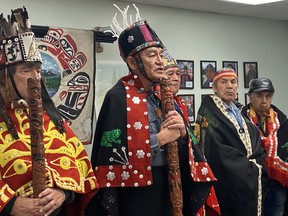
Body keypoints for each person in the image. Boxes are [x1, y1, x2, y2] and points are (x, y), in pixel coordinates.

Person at [85, 4, 210, 216]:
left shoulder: (164, 96)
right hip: (135, 194)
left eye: (161, 54)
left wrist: (182, 135)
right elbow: (111, 155)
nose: (160, 62)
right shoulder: (117, 98)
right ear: (133, 63)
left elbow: (186, 149)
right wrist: (160, 139)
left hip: (170, 185)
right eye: (152, 55)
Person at [0, 7, 98, 216]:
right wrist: (8, 205)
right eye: (26, 70)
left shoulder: (50, 119)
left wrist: (63, 192)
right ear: (3, 77)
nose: (36, 77)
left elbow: (80, 164)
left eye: (38, 69)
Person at [194, 68, 268, 215]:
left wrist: (257, 164)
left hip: (248, 183)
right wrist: (249, 167)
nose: (229, 86)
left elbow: (255, 143)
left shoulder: (240, 112)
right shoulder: (208, 114)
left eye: (233, 82)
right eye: (223, 82)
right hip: (226, 185)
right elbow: (217, 153)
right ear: (214, 88)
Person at [162, 49, 220, 215]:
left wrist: (184, 136)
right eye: (170, 73)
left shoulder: (179, 104)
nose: (175, 78)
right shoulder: (157, 103)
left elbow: (189, 138)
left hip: (184, 171)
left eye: (178, 74)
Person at [242, 78, 288, 216]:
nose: (264, 101)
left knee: (277, 212)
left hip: (276, 181)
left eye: (268, 96)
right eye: (259, 96)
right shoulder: (242, 118)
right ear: (250, 96)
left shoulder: (282, 119)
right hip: (253, 180)